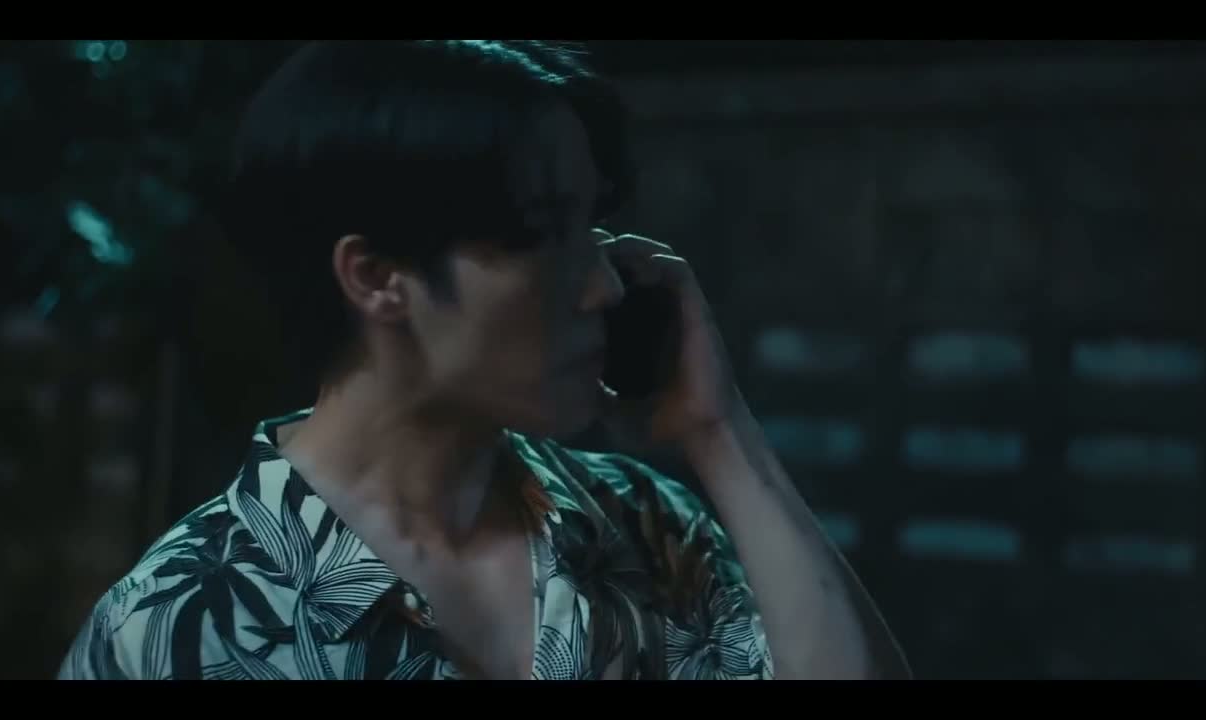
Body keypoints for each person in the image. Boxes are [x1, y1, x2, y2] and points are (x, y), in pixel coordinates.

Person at [57, 40, 909, 681]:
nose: (606, 284)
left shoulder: (643, 528)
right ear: (378, 278)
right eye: (544, 235)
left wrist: (719, 432)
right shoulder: (173, 626)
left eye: (593, 229)